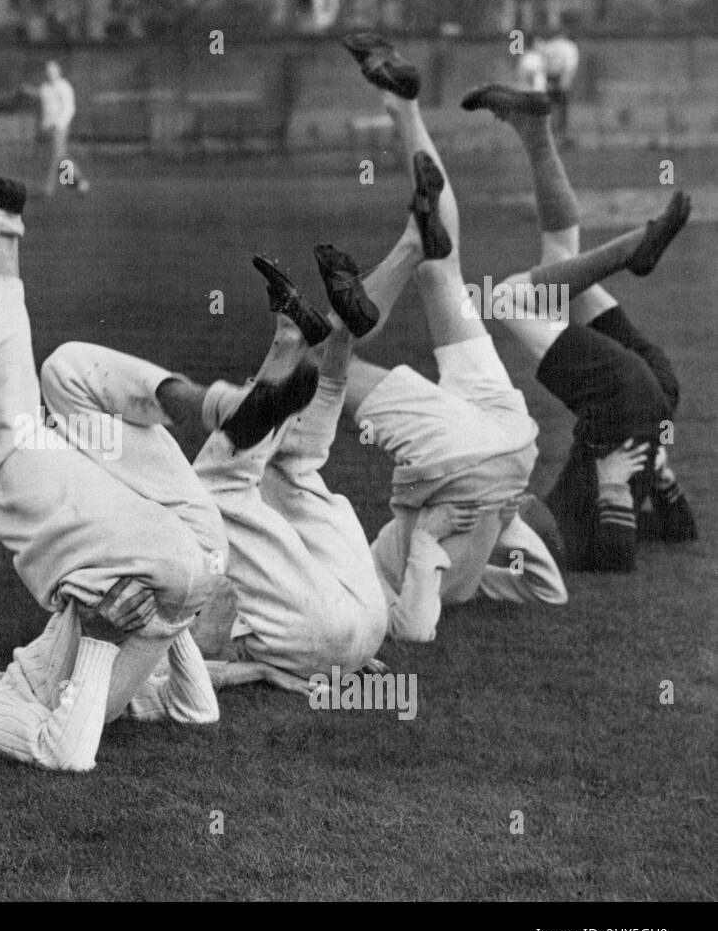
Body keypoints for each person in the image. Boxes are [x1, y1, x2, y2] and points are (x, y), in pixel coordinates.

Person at [0, 159, 318, 769]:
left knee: (67, 376)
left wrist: (173, 625)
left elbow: (196, 712)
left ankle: (222, 407)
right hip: (149, 574)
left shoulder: (26, 667)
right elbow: (65, 753)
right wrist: (106, 641)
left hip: (187, 551)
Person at [338, 34, 568, 642]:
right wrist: (435, 546)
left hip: (515, 450)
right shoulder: (424, 581)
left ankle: (404, 110)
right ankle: (407, 241)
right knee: (319, 371)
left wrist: (507, 519)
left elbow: (551, 590)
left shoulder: (483, 559)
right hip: (463, 459)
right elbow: (414, 629)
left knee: (446, 269)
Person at [461, 83, 696, 571]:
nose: (507, 513)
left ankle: (534, 127)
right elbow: (618, 557)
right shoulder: (565, 531)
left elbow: (681, 532)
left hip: (654, 396)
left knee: (561, 265)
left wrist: (658, 475)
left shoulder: (562, 516)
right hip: (624, 400)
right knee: (506, 298)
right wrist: (615, 483)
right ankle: (635, 245)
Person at [177, 248, 391, 690]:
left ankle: (304, 339)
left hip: (346, 633)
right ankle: (322, 338)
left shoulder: (151, 621)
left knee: (247, 485)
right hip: (355, 622)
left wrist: (262, 670)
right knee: (278, 474)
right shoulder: (184, 598)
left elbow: (187, 672)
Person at [23, 60, 89, 197]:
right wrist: (27, 90)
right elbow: (39, 94)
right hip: (48, 128)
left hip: (60, 128)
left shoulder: (64, 87)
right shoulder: (46, 87)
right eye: (48, 71)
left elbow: (69, 108)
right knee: (62, 156)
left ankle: (48, 189)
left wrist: (59, 125)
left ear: (58, 72)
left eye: (53, 71)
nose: (50, 74)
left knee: (55, 157)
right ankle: (79, 183)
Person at [539, 30, 579, 142]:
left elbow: (543, 62)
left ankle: (553, 133)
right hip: (560, 76)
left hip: (550, 76)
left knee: (551, 106)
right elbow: (570, 64)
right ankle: (560, 133)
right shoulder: (569, 46)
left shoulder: (549, 45)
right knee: (561, 107)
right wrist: (566, 79)